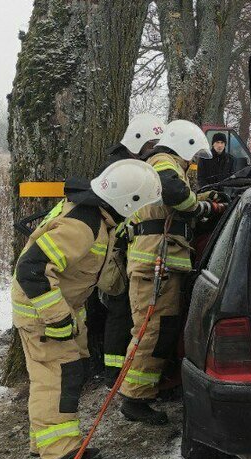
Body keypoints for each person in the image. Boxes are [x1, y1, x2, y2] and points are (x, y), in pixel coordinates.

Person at [12, 160, 162, 459]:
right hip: (43, 312)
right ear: (127, 202)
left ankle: (46, 445)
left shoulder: (97, 218)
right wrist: (57, 318)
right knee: (58, 379)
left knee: (52, 377)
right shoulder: (83, 226)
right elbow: (31, 269)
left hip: (56, 307)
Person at [119, 119, 225, 425]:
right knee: (151, 331)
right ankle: (133, 399)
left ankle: (145, 390)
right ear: (185, 145)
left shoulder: (162, 164)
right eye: (193, 155)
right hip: (155, 264)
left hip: (161, 264)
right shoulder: (164, 161)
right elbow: (176, 195)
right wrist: (202, 208)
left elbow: (176, 200)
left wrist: (207, 200)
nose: (192, 162)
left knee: (159, 329)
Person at [97, 114, 166, 385]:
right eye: (151, 144)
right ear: (138, 142)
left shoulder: (128, 164)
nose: (153, 150)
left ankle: (116, 368)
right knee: (119, 309)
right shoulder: (119, 169)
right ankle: (113, 372)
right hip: (114, 250)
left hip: (123, 248)